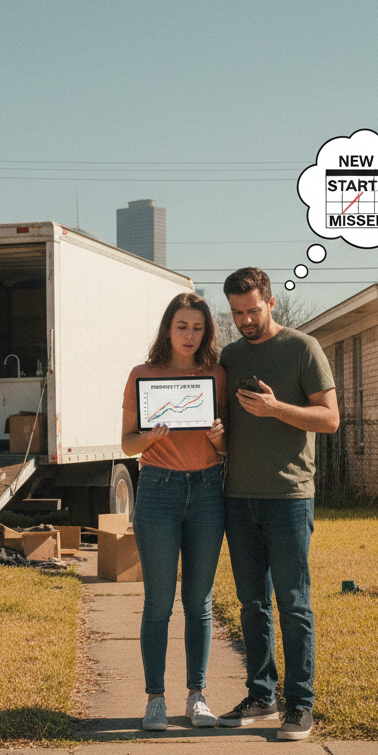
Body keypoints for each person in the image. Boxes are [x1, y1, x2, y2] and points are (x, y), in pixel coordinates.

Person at [216, 267, 339, 740]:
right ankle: (262, 694)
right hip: (238, 497)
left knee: (293, 602)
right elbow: (229, 435)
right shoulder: (228, 355)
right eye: (236, 313)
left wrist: (276, 409)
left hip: (288, 497)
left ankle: (300, 705)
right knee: (252, 603)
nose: (246, 320)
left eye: (252, 310)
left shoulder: (302, 348)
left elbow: (329, 419)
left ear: (270, 302)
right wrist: (217, 438)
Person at [121, 292, 227, 732]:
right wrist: (147, 437)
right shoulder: (143, 376)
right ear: (168, 328)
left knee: (199, 602)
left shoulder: (217, 376)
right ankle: (155, 700)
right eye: (182, 326)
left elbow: (230, 446)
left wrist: (221, 438)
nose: (189, 335)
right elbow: (126, 444)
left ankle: (196, 696)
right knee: (158, 603)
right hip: (158, 489)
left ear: (207, 332)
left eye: (198, 327)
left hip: (208, 489)